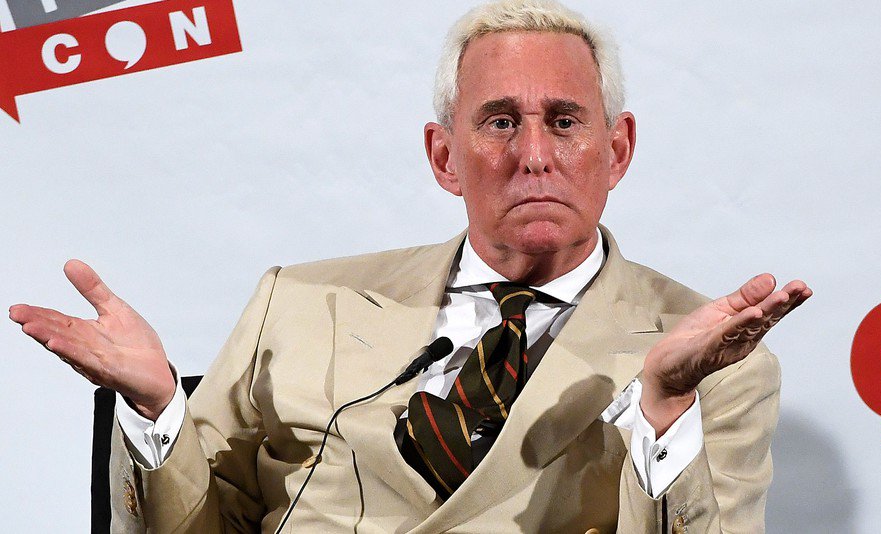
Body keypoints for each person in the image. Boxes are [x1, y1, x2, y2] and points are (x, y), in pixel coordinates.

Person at [9, 1, 811, 532]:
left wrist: (665, 408)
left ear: (618, 149)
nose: (534, 155)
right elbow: (194, 526)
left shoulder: (714, 362)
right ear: (444, 157)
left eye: (565, 121)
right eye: (500, 122)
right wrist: (157, 410)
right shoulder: (300, 302)